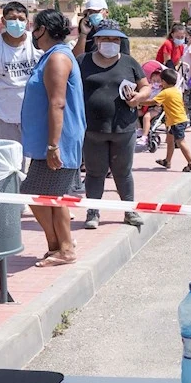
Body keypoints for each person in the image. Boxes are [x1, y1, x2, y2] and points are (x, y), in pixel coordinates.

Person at [20, 9, 85, 266]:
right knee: (52, 195)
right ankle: (58, 246)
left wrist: (52, 145)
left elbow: (57, 103)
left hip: (58, 140)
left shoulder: (57, 58)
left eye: (34, 27)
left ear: (43, 30)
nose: (31, 33)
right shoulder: (50, 56)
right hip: (50, 140)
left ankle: (64, 247)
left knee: (37, 193)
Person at [76, 19, 148, 230]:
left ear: (121, 41)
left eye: (114, 39)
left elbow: (145, 87)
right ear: (96, 40)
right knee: (94, 172)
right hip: (92, 129)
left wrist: (138, 97)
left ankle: (129, 210)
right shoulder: (83, 62)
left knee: (123, 171)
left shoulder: (129, 62)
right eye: (105, 38)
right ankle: (93, 212)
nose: (110, 42)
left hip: (123, 128)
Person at [0, 1, 41, 154]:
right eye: (12, 18)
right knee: (11, 162)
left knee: (39, 160)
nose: (17, 22)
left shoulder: (37, 43)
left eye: (21, 19)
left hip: (36, 114)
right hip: (6, 117)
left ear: (27, 22)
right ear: (3, 21)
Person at [152, 68, 191, 172]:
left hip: (176, 121)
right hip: (179, 119)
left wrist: (139, 101)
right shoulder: (176, 90)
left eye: (161, 81)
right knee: (170, 140)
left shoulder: (166, 92)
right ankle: (167, 161)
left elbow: (153, 102)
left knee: (181, 142)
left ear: (164, 82)